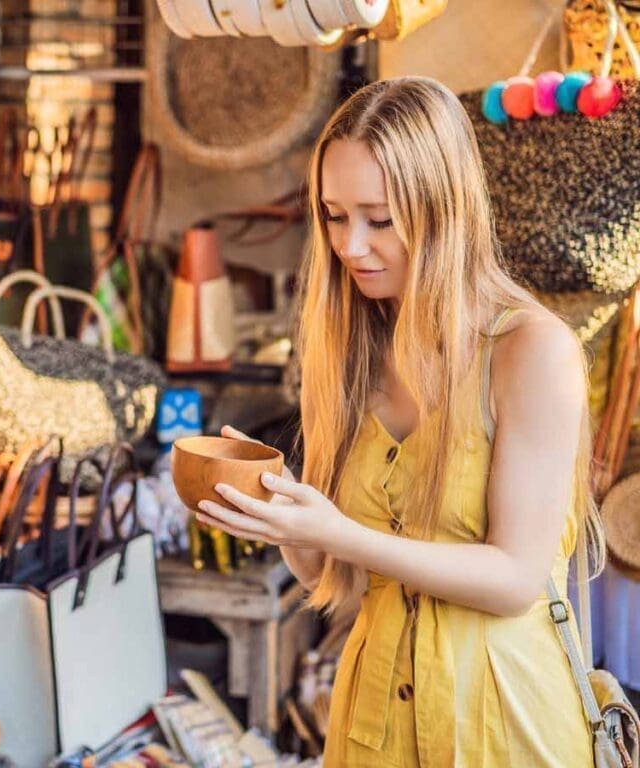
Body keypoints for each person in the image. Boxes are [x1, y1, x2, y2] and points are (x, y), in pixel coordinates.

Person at [196, 77, 605, 767]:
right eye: (333, 215)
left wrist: (336, 530)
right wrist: (283, 513)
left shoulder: (531, 353)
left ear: (444, 210)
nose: (351, 246)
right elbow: (333, 575)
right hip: (372, 724)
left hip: (500, 724)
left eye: (379, 219)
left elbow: (514, 579)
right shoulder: (352, 347)